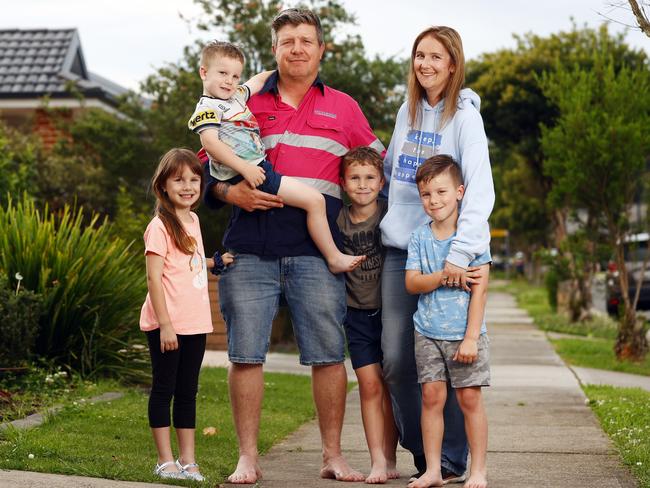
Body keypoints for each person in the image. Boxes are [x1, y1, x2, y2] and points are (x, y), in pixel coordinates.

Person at [201, 7, 385, 485]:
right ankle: (248, 457)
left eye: (306, 40)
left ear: (321, 49)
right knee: (244, 354)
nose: (297, 48)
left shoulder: (344, 107)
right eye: (288, 41)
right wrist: (228, 191)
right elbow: (202, 169)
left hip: (315, 252)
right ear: (276, 50)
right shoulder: (241, 101)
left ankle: (332, 456)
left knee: (327, 353)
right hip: (249, 247)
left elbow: (378, 173)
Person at [379, 26, 495, 482]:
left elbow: (479, 190)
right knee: (396, 360)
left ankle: (448, 459)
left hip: (452, 255)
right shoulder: (405, 112)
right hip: (401, 250)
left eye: (435, 56)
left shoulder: (465, 118)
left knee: (454, 363)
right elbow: (390, 171)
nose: (425, 64)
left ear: (453, 64)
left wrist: (461, 254)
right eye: (419, 55)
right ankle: (425, 451)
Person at [189, 40, 364, 274]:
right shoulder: (208, 108)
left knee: (313, 202)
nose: (229, 81)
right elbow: (210, 144)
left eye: (234, 76)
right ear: (203, 72)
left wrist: (287, 67)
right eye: (222, 73)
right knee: (314, 201)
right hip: (253, 170)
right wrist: (244, 168)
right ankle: (333, 258)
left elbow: (257, 80)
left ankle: (332, 255)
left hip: (254, 168)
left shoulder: (236, 97)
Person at [139, 148, 233, 481]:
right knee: (164, 388)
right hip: (167, 323)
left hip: (194, 322)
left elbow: (188, 262)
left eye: (195, 179)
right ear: (162, 185)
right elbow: (154, 276)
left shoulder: (192, 220)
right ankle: (164, 461)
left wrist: (216, 262)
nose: (188, 186)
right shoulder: (159, 226)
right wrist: (165, 325)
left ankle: (188, 461)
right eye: (179, 179)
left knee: (188, 391)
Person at [405, 155, 490, 488]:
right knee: (431, 399)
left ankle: (478, 470)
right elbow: (412, 283)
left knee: (470, 400)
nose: (434, 200)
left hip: (464, 335)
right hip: (426, 332)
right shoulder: (419, 238)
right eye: (426, 194)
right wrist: (443, 275)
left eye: (441, 192)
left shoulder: (473, 238)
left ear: (459, 192)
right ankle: (433, 471)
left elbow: (480, 290)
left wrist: (471, 338)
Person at [336, 146, 398, 484]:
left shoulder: (390, 214)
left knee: (390, 386)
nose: (362, 185)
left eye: (370, 177)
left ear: (381, 181)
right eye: (355, 178)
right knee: (369, 385)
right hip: (357, 316)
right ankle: (376, 460)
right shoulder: (338, 219)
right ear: (343, 183)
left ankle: (390, 457)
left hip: (390, 313)